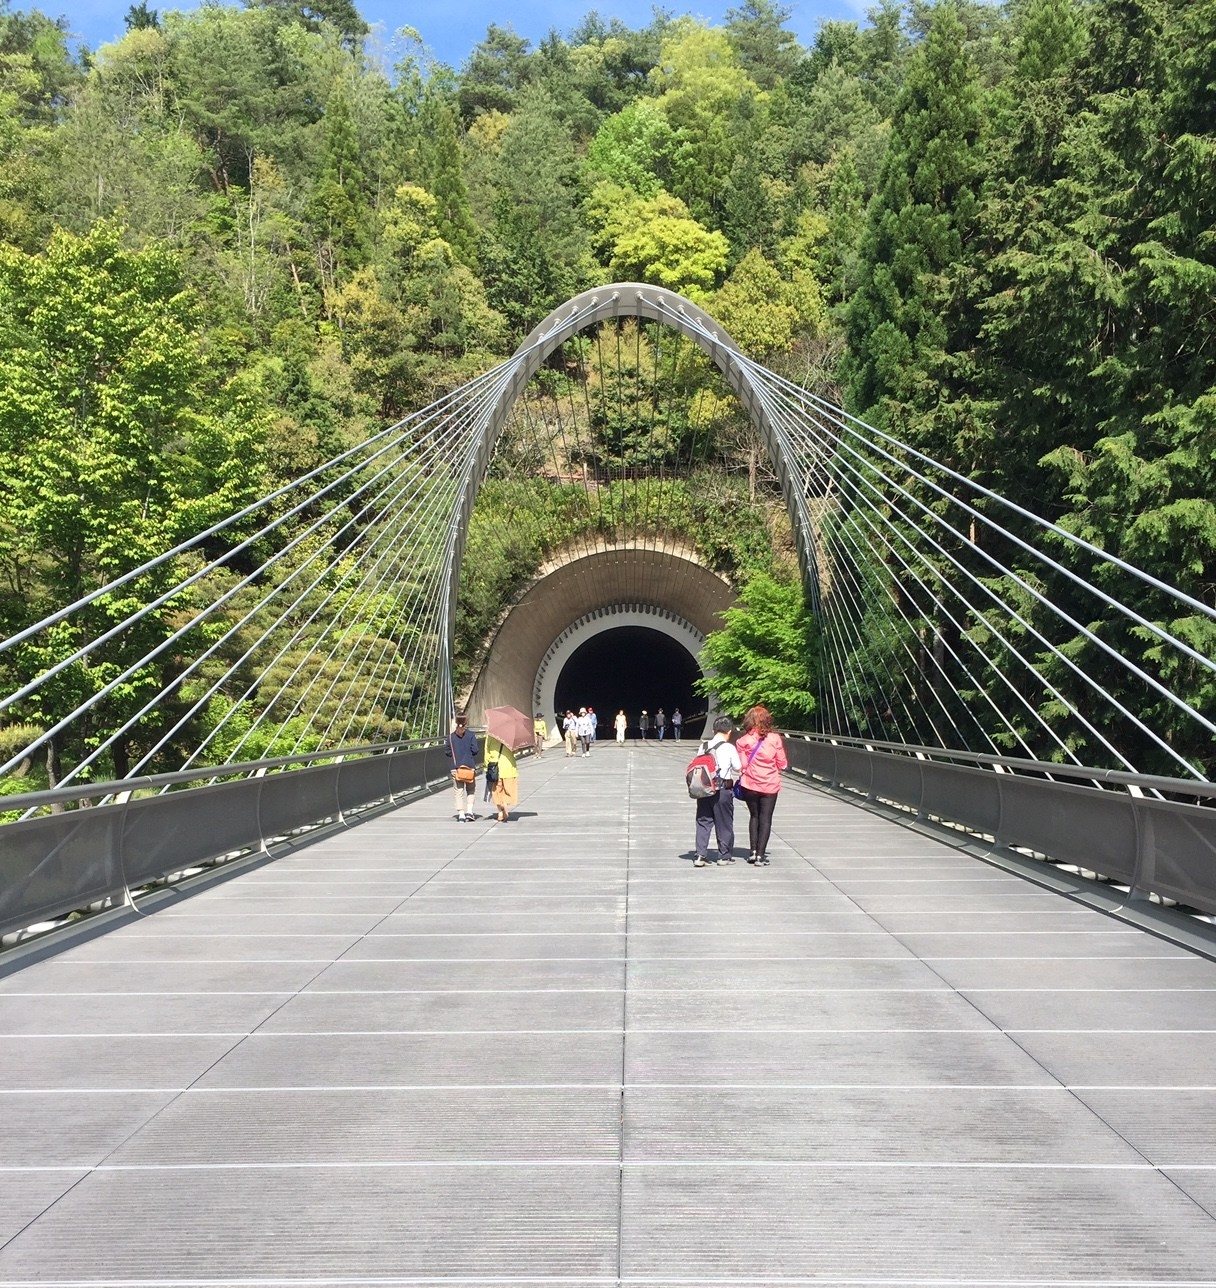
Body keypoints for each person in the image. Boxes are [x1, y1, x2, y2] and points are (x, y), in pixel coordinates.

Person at [735, 704, 788, 866]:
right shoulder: (774, 738)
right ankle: (760, 855)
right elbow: (782, 763)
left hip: (750, 784)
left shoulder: (743, 741)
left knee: (754, 816)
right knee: (766, 818)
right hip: (770, 784)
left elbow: (742, 765)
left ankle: (751, 851)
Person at [693, 715, 742, 868]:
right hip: (722, 790)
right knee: (724, 823)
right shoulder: (729, 747)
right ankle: (724, 856)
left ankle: (700, 855)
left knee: (703, 822)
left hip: (705, 789)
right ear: (729, 732)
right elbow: (738, 767)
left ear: (713, 730)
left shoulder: (704, 746)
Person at [445, 712, 480, 822]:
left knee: (458, 791)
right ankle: (469, 812)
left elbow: (447, 752)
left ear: (456, 722)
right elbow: (475, 750)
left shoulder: (450, 737)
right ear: (466, 722)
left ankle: (461, 815)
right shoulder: (471, 735)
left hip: (456, 768)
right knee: (471, 790)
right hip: (469, 767)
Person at [484, 733, 519, 823]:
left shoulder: (490, 735)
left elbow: (486, 751)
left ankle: (500, 812)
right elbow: (515, 751)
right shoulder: (510, 735)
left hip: (494, 766)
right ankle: (505, 804)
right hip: (508, 766)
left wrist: (486, 766)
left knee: (496, 790)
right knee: (508, 789)